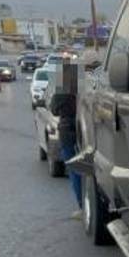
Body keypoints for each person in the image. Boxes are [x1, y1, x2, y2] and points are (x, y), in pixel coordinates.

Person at [49, 62, 83, 211]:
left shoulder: (63, 90)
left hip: (68, 132)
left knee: (74, 170)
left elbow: (54, 109)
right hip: (85, 131)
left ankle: (82, 206)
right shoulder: (86, 87)